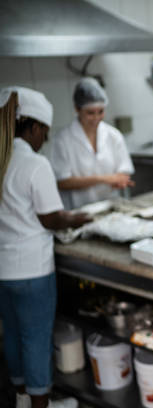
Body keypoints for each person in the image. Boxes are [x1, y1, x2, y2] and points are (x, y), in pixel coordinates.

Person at [0, 87, 90, 408]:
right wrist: (80, 218)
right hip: (32, 271)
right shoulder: (34, 165)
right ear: (35, 127)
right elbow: (51, 218)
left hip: (3, 271)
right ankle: (41, 405)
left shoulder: (2, 159)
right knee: (35, 341)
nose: (45, 141)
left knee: (12, 336)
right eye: (45, 134)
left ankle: (23, 400)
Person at [49, 77, 134, 209]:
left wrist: (120, 181)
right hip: (78, 211)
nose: (96, 118)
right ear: (77, 109)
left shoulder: (114, 135)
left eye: (100, 112)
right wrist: (104, 179)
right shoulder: (63, 139)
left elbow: (124, 171)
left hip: (111, 208)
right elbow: (62, 182)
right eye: (90, 113)